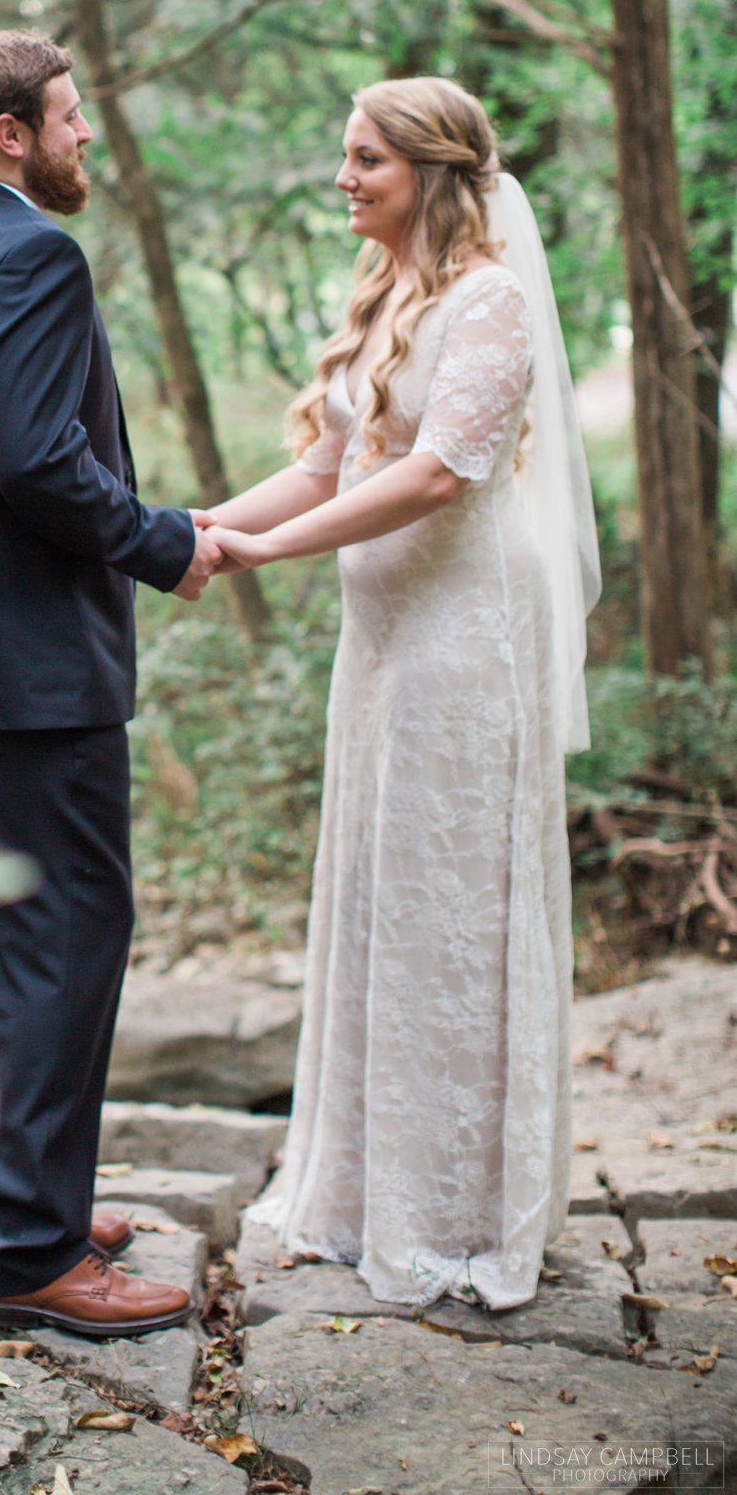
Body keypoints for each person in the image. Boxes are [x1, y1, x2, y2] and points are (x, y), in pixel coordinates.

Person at [203, 75, 600, 1311]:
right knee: (379, 900)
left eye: (363, 158)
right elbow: (325, 458)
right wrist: (198, 526)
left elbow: (437, 473)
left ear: (427, 169)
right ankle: (368, 1192)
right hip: (377, 651)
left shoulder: (488, 302)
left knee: (451, 910)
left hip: (463, 641)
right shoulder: (384, 294)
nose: (342, 179)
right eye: (343, 155)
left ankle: (464, 1212)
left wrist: (278, 550)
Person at [0, 29, 222, 1339]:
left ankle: (2, 1204)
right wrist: (164, 542)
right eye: (69, 118)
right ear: (13, 130)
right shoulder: (31, 251)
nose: (83, 138)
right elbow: (35, 457)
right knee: (62, 944)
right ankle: (28, 1248)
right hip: (26, 678)